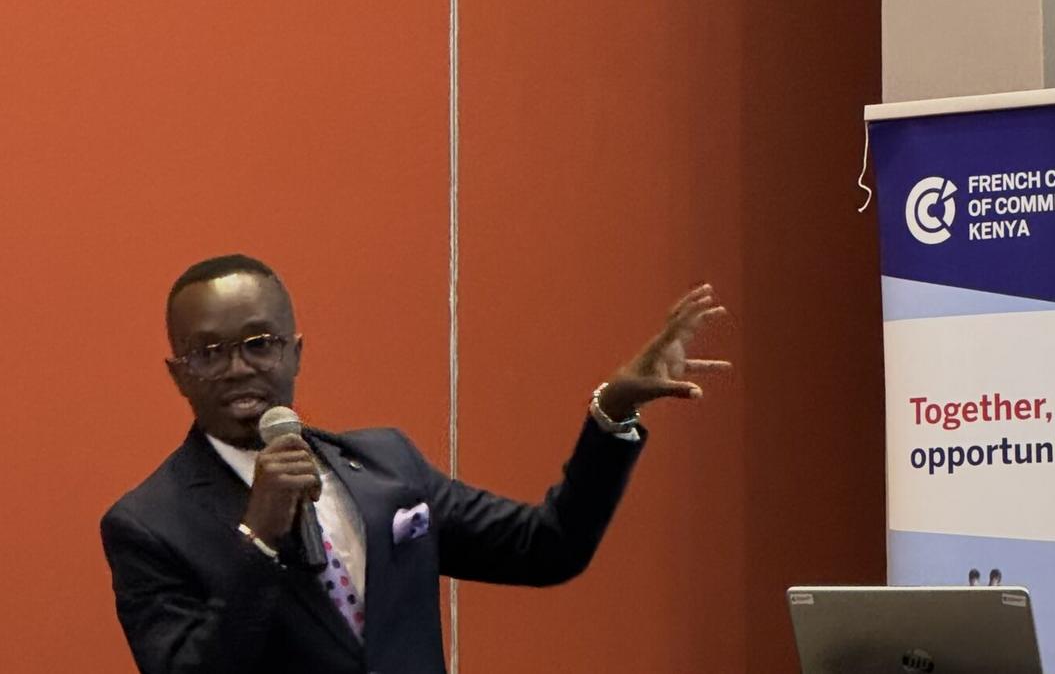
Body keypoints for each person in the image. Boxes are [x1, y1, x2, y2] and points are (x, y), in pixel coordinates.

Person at [101, 254, 730, 674]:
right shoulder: (149, 524)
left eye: (260, 344)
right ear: (178, 374)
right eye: (208, 352)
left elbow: (548, 547)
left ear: (296, 352)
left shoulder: (386, 466)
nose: (238, 367)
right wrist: (259, 541)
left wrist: (611, 412)